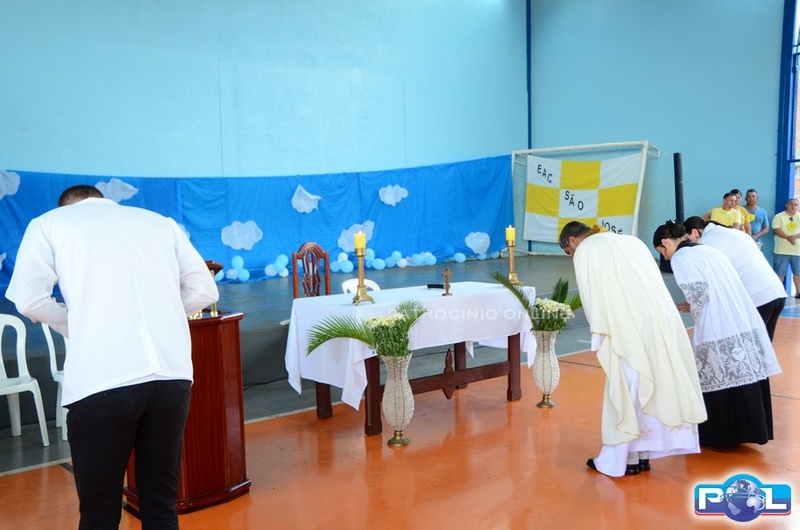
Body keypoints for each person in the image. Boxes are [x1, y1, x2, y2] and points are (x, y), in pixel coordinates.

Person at [6, 184, 219, 529]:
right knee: (161, 507)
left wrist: (81, 325)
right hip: (171, 376)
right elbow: (205, 290)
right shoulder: (160, 223)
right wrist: (160, 316)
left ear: (66, 206)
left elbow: (29, 300)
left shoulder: (50, 223)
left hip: (103, 379)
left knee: (100, 515)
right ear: (102, 199)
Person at [559, 222, 706, 478]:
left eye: (568, 252)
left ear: (573, 241)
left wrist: (600, 333)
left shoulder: (587, 249)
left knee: (626, 389)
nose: (572, 256)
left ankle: (616, 460)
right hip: (659, 321)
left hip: (626, 326)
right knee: (649, 385)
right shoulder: (631, 241)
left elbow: (593, 294)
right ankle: (639, 455)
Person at [652, 221, 782, 449]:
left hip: (716, 322)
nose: (665, 256)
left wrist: (693, 309)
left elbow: (698, 294)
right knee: (741, 371)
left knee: (716, 370)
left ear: (665, 242)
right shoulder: (707, 250)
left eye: (662, 251)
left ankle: (722, 435)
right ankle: (751, 430)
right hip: (739, 317)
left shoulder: (681, 258)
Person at [683, 217, 786, 340]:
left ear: (694, 232)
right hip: (776, 293)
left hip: (756, 298)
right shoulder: (732, 233)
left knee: (750, 347)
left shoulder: (706, 242)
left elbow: (711, 282)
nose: (689, 244)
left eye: (687, 238)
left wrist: (695, 304)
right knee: (764, 347)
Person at [771, 197, 800, 298]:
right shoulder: (779, 216)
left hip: (797, 251)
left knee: (798, 273)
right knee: (780, 273)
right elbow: (776, 230)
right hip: (781, 251)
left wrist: (794, 237)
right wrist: (788, 238)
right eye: (791, 204)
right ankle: (778, 294)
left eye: (795, 205)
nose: (793, 206)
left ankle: (798, 292)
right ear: (786, 205)